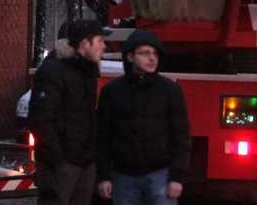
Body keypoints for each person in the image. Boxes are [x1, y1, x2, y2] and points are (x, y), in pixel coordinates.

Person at [97, 29, 191, 205]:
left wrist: (176, 177)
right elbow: (103, 137)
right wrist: (104, 176)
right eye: (145, 53)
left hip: (160, 175)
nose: (152, 58)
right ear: (130, 57)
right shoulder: (111, 91)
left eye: (155, 53)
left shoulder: (170, 90)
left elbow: (181, 136)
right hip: (123, 176)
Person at [28, 19, 110, 205]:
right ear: (84, 44)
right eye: (100, 41)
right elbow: (40, 120)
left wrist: (90, 159)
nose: (104, 46)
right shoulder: (53, 71)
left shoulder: (88, 71)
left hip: (83, 163)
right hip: (61, 165)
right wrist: (58, 160)